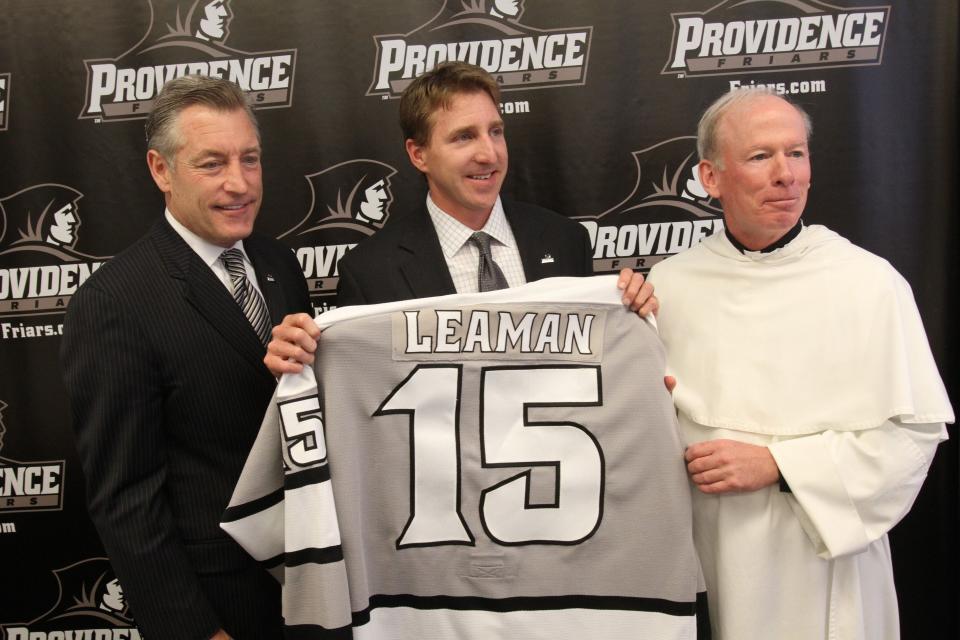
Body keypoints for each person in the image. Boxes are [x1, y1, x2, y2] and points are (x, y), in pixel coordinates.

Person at [647, 87, 953, 639]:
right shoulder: (669, 284)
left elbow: (911, 439)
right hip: (707, 563)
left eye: (796, 154)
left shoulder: (868, 283)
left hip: (824, 559)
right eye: (760, 156)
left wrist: (780, 466)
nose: (786, 174)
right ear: (711, 178)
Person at [61, 75, 311, 640]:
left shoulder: (280, 265)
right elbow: (127, 499)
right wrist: (194, 632)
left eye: (250, 159)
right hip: (220, 604)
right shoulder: (114, 302)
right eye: (212, 163)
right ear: (160, 170)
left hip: (313, 585)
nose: (239, 183)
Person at [266, 61, 655, 375]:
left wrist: (633, 313)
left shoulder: (565, 240)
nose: (489, 154)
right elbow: (360, 391)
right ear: (419, 155)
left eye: (495, 131)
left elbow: (599, 363)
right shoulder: (370, 272)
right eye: (464, 137)